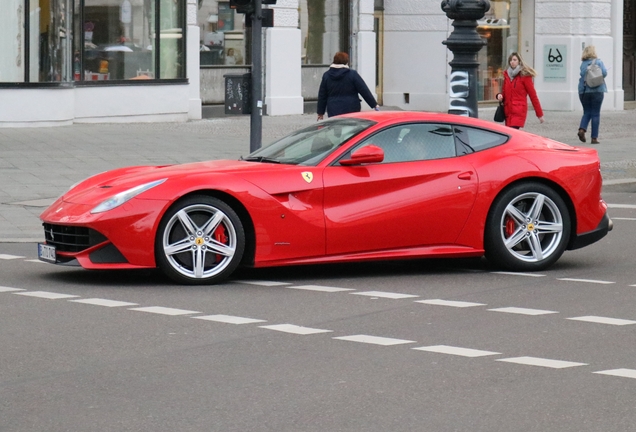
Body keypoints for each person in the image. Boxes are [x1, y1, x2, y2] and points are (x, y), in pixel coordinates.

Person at [317, 52, 379, 121]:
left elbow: (322, 95)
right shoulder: (352, 74)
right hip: (351, 107)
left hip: (333, 108)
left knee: (336, 128)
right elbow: (363, 90)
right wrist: (374, 104)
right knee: (352, 128)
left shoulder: (327, 75)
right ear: (346, 62)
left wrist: (320, 112)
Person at [496, 52, 544, 129]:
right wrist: (499, 95)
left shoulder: (525, 76)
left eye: (515, 60)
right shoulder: (507, 76)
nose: (512, 62)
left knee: (513, 133)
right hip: (508, 111)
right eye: (511, 60)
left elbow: (533, 96)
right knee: (510, 135)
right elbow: (504, 92)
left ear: (519, 61)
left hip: (518, 110)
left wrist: (539, 114)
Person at [577, 45, 608, 144]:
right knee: (595, 113)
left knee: (586, 112)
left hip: (584, 90)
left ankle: (582, 129)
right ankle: (594, 138)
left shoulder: (583, 64)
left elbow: (582, 74)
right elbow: (604, 73)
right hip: (597, 90)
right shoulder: (599, 62)